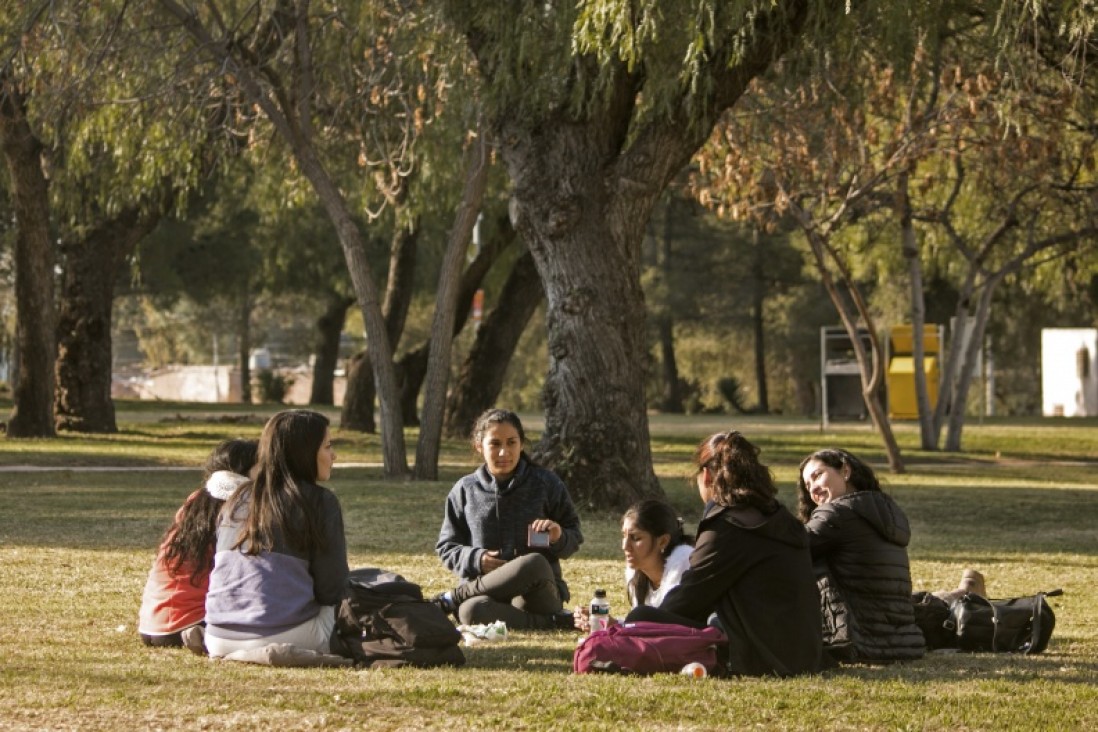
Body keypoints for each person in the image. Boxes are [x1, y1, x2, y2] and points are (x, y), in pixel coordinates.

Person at [625, 431, 823, 677]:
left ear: (706, 475)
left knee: (641, 617)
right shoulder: (777, 516)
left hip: (764, 656)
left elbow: (688, 599)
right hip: (805, 653)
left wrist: (632, 626)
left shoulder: (727, 525)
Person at [204, 409, 349, 658]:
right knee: (350, 613)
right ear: (305, 452)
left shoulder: (237, 497)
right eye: (327, 447)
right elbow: (332, 590)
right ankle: (275, 650)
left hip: (216, 636)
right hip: (283, 632)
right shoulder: (320, 502)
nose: (333, 455)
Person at [434, 409, 583, 630]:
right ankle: (554, 622)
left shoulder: (546, 483)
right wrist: (476, 559)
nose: (504, 452)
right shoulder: (464, 489)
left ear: (521, 444)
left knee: (533, 562)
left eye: (511, 443)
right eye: (495, 444)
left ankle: (454, 597)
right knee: (469, 611)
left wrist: (558, 536)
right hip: (487, 593)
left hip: (536, 594)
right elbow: (447, 547)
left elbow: (575, 536)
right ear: (479, 446)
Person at [796, 448, 925, 663]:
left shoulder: (835, 514)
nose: (813, 489)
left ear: (845, 471)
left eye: (817, 475)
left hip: (855, 643)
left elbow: (789, 552)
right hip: (904, 644)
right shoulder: (883, 511)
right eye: (807, 485)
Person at [138, 438, 259, 650]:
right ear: (246, 471)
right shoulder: (239, 508)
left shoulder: (196, 500)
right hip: (190, 622)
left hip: (151, 625)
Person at [572, 498, 694, 631]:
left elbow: (663, 627)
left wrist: (622, 626)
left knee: (640, 613)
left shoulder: (684, 567)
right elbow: (643, 626)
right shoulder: (638, 577)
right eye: (624, 536)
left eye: (636, 538)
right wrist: (608, 623)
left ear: (663, 541)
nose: (625, 546)